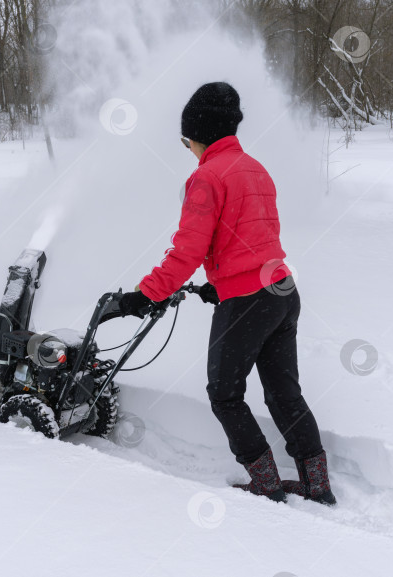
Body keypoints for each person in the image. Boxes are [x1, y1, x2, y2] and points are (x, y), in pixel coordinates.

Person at [118, 82, 336, 506]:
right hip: (282, 292)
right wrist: (219, 285)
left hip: (249, 300)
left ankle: (266, 484)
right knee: (284, 394)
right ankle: (317, 482)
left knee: (224, 394)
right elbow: (254, 238)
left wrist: (144, 295)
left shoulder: (206, 178)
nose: (188, 149)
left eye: (187, 141)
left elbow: (187, 252)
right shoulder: (256, 168)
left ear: (200, 134)